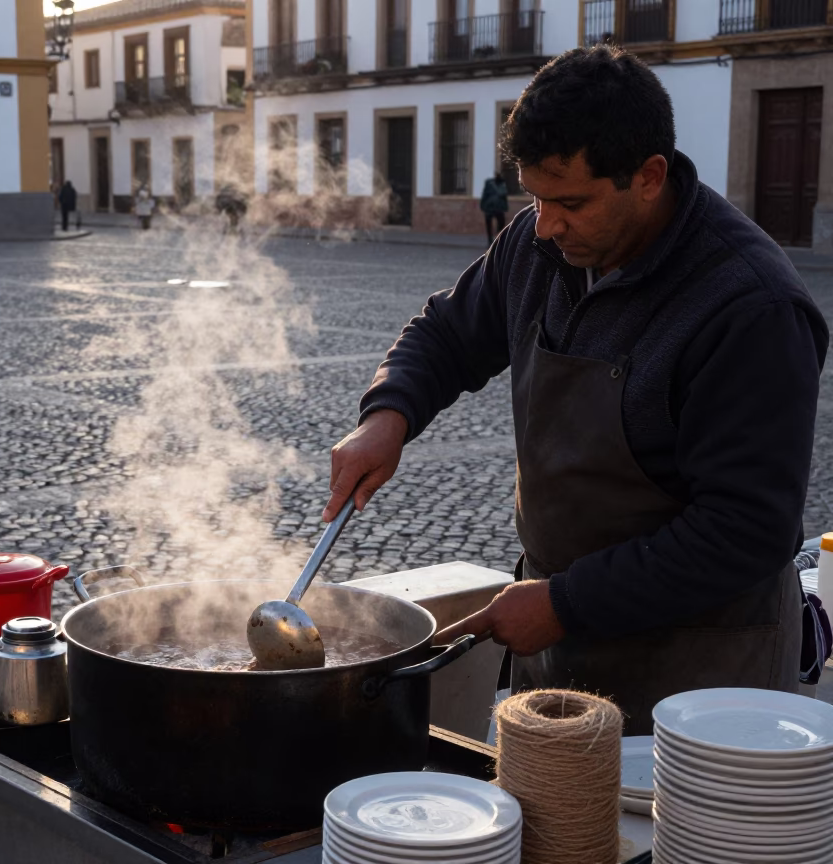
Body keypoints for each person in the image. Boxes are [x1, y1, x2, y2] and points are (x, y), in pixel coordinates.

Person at [323, 45, 828, 735]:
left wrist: (565, 601)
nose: (545, 224)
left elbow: (746, 531)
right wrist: (388, 413)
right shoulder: (535, 245)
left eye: (570, 202)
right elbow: (447, 332)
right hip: (560, 639)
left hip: (702, 671)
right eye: (534, 196)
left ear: (649, 177)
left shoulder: (751, 307)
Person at [480, 172, 509, 245]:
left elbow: (504, 196)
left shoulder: (502, 184)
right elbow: (485, 194)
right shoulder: (489, 183)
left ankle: (497, 239)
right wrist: (483, 205)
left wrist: (505, 207)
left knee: (501, 223)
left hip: (499, 207)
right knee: (488, 224)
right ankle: (490, 241)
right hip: (489, 207)